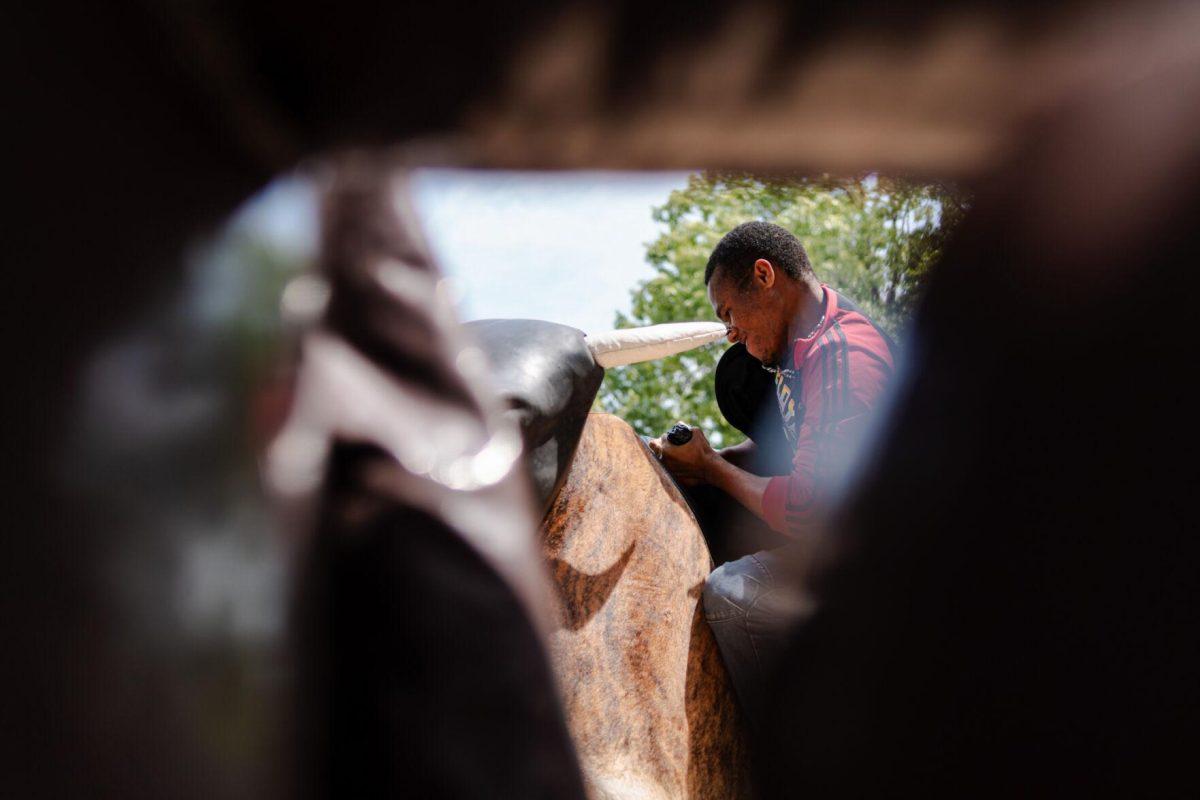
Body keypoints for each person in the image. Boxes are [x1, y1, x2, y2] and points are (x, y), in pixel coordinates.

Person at [648, 220, 895, 734]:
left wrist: (713, 470)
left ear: (764, 275)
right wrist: (704, 458)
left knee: (735, 595)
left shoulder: (842, 354)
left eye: (729, 313)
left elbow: (810, 508)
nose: (730, 332)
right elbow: (785, 450)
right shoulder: (798, 351)